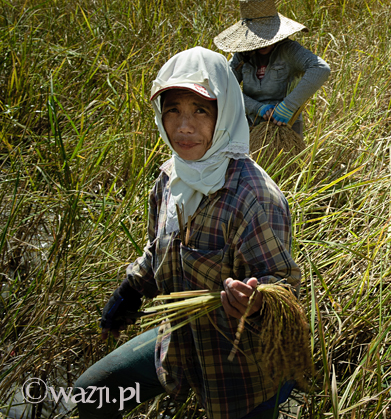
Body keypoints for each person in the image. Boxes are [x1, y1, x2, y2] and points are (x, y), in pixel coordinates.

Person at [74, 47, 301, 419]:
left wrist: (256, 302)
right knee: (91, 395)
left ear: (224, 112)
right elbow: (156, 250)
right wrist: (129, 293)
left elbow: (284, 286)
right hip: (178, 343)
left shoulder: (252, 196)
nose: (184, 127)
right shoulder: (170, 176)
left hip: (240, 368)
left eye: (200, 110)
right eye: (173, 110)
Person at [214, 0, 330, 136]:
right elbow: (224, 86)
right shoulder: (243, 55)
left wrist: (288, 106)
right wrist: (257, 108)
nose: (262, 44)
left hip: (286, 127)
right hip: (250, 126)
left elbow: (321, 69)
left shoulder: (289, 50)